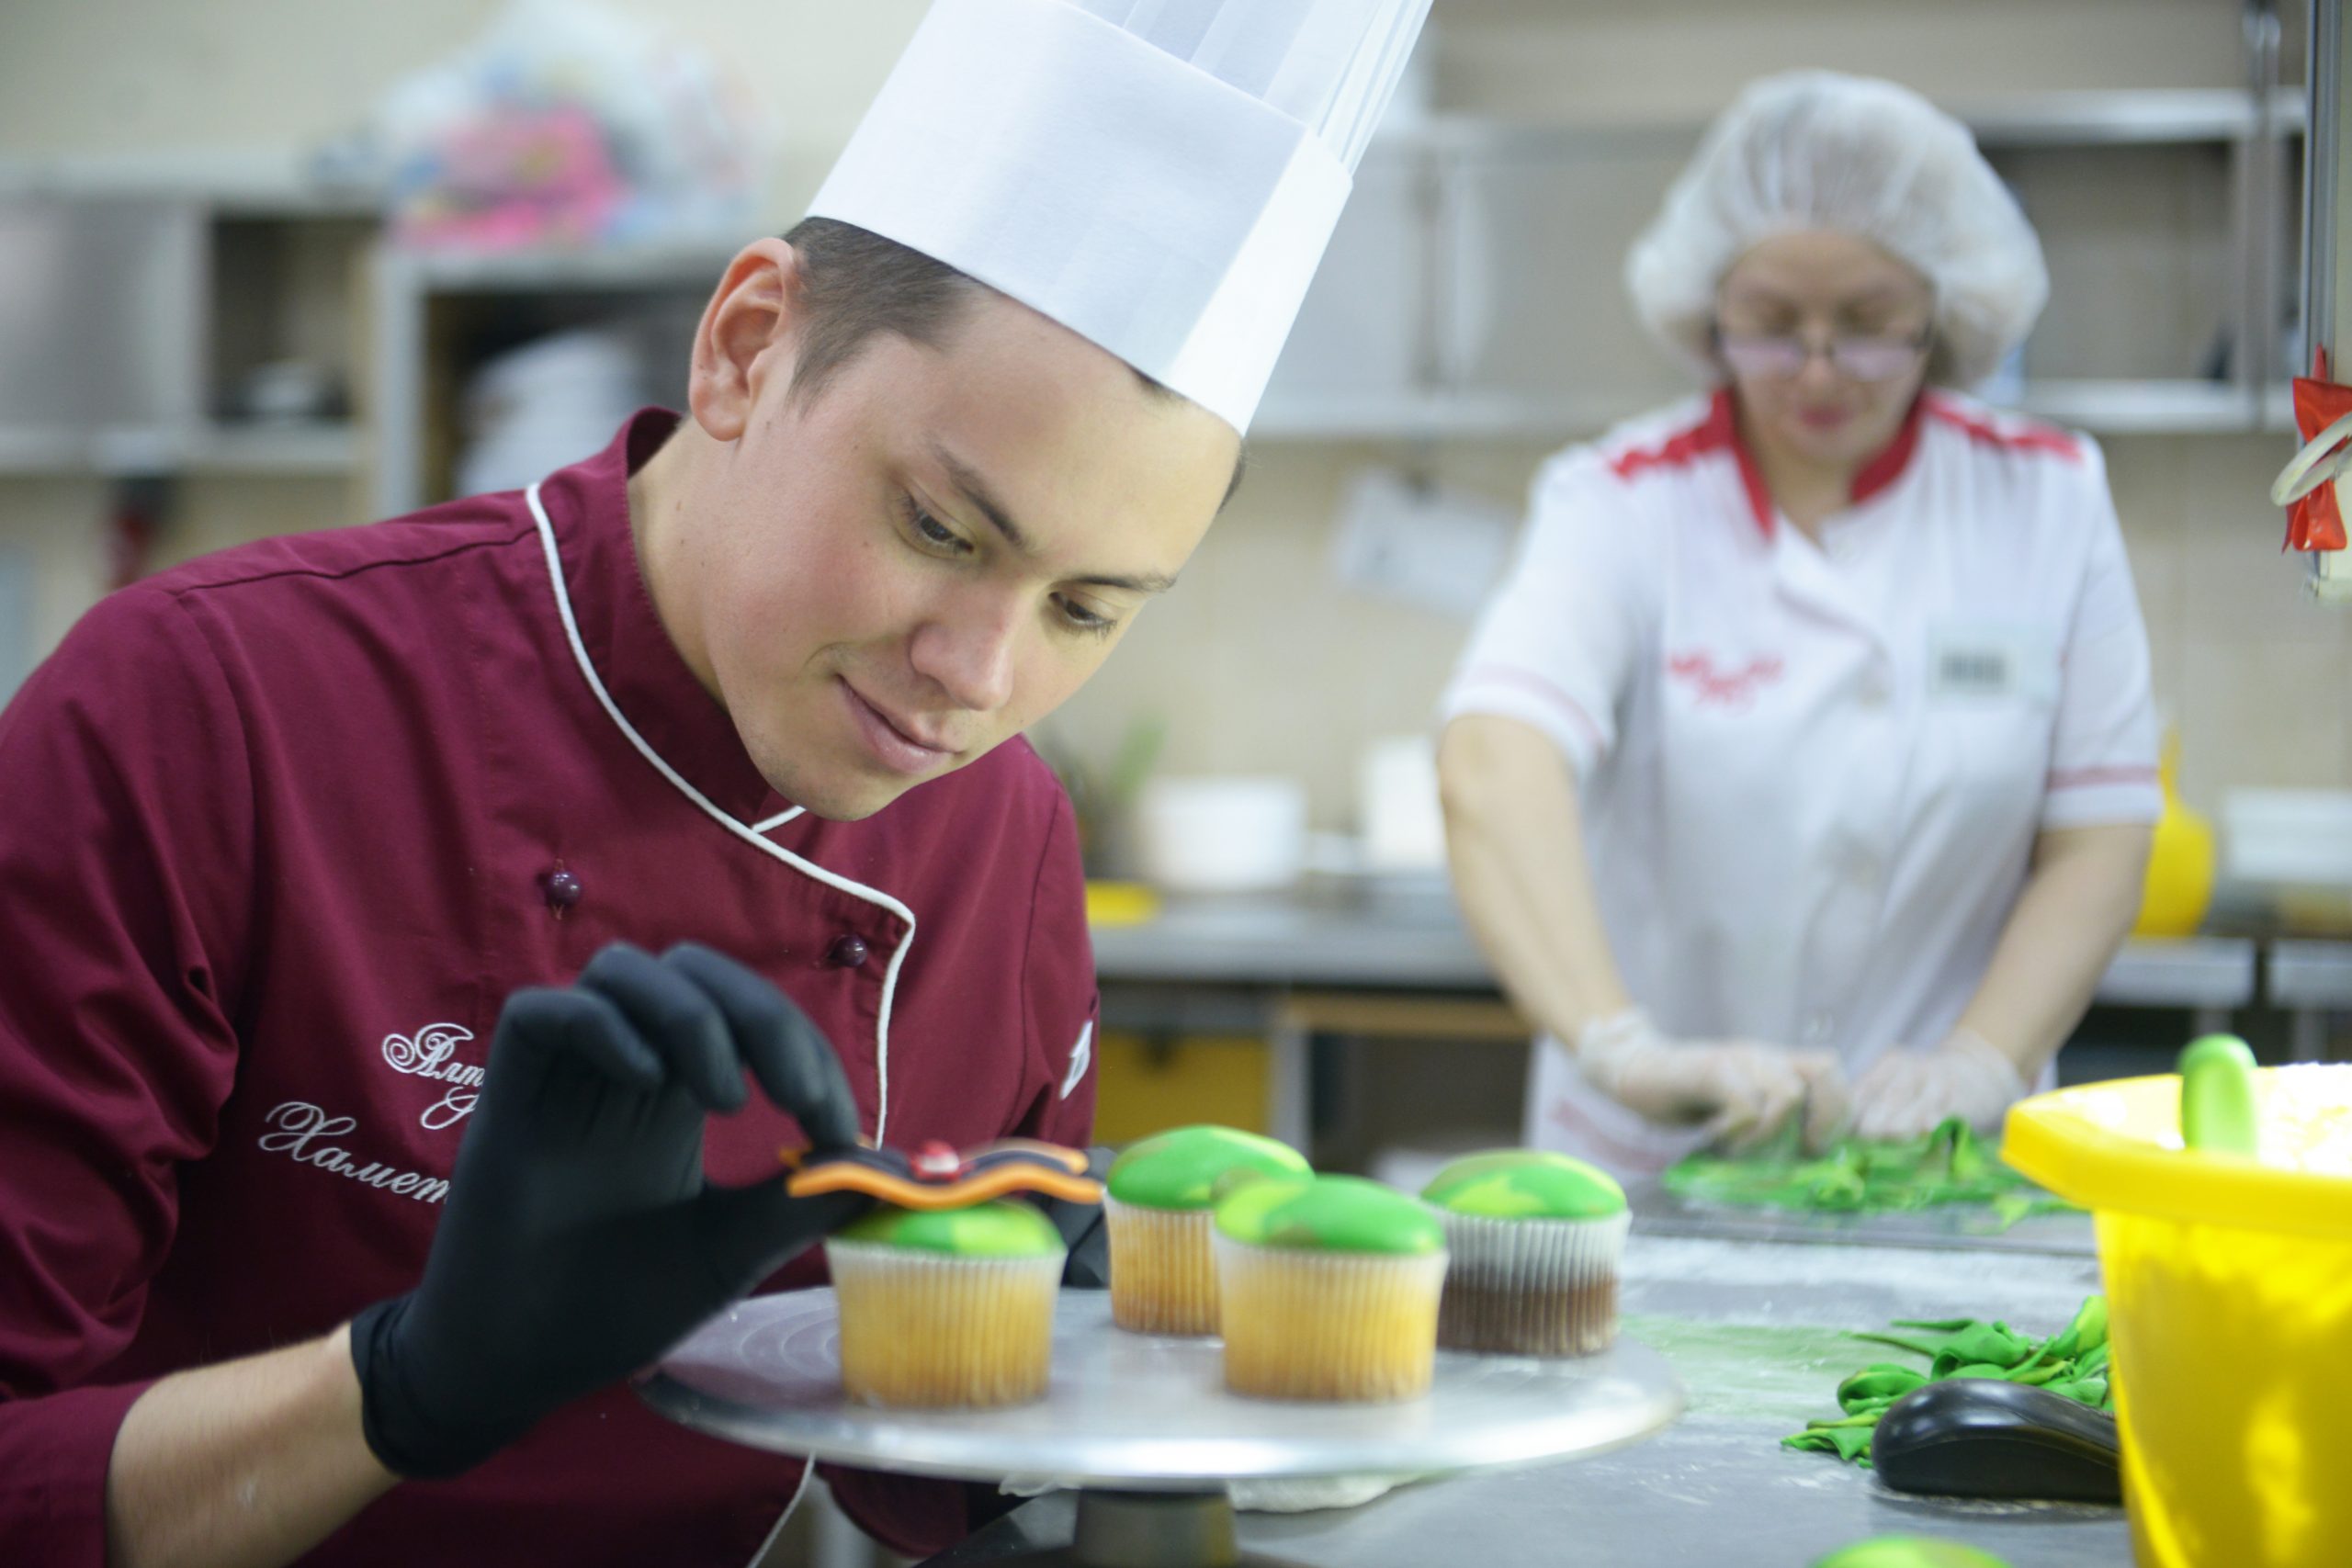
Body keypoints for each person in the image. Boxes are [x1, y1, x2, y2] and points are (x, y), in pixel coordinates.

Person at [0, 3, 1436, 1564]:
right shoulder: (204, 709)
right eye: (945, 531)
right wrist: (406, 1384)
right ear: (750, 344)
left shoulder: (1001, 836)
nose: (978, 675)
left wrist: (1085, 1397)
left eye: (1087, 609)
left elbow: (919, 1483)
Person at [1438, 72, 2159, 1177]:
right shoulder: (1619, 501)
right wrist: (1623, 1049)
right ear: (1707, 312)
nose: (1817, 369)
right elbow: (1494, 760)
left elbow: (2100, 831)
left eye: (1869, 325)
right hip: (1657, 1162)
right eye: (1772, 325)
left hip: (1939, 1165)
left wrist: (1981, 1060)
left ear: (1943, 314)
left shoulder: (2046, 497)